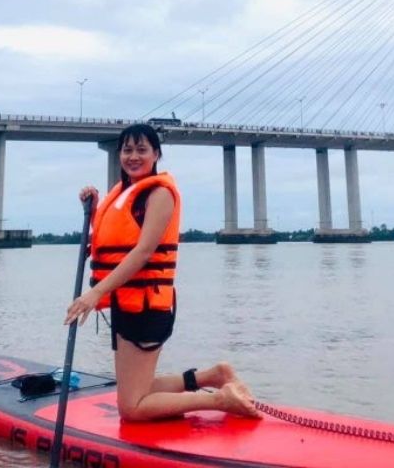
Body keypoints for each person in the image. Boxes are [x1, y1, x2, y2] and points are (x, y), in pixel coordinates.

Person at [64, 123, 260, 422]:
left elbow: (142, 252)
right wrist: (92, 213)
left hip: (146, 305)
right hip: (126, 302)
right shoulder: (123, 193)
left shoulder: (159, 194)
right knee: (135, 393)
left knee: (132, 408)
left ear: (156, 154)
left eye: (142, 149)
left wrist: (96, 292)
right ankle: (213, 375)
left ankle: (221, 399)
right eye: (127, 150)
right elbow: (116, 241)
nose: (133, 156)